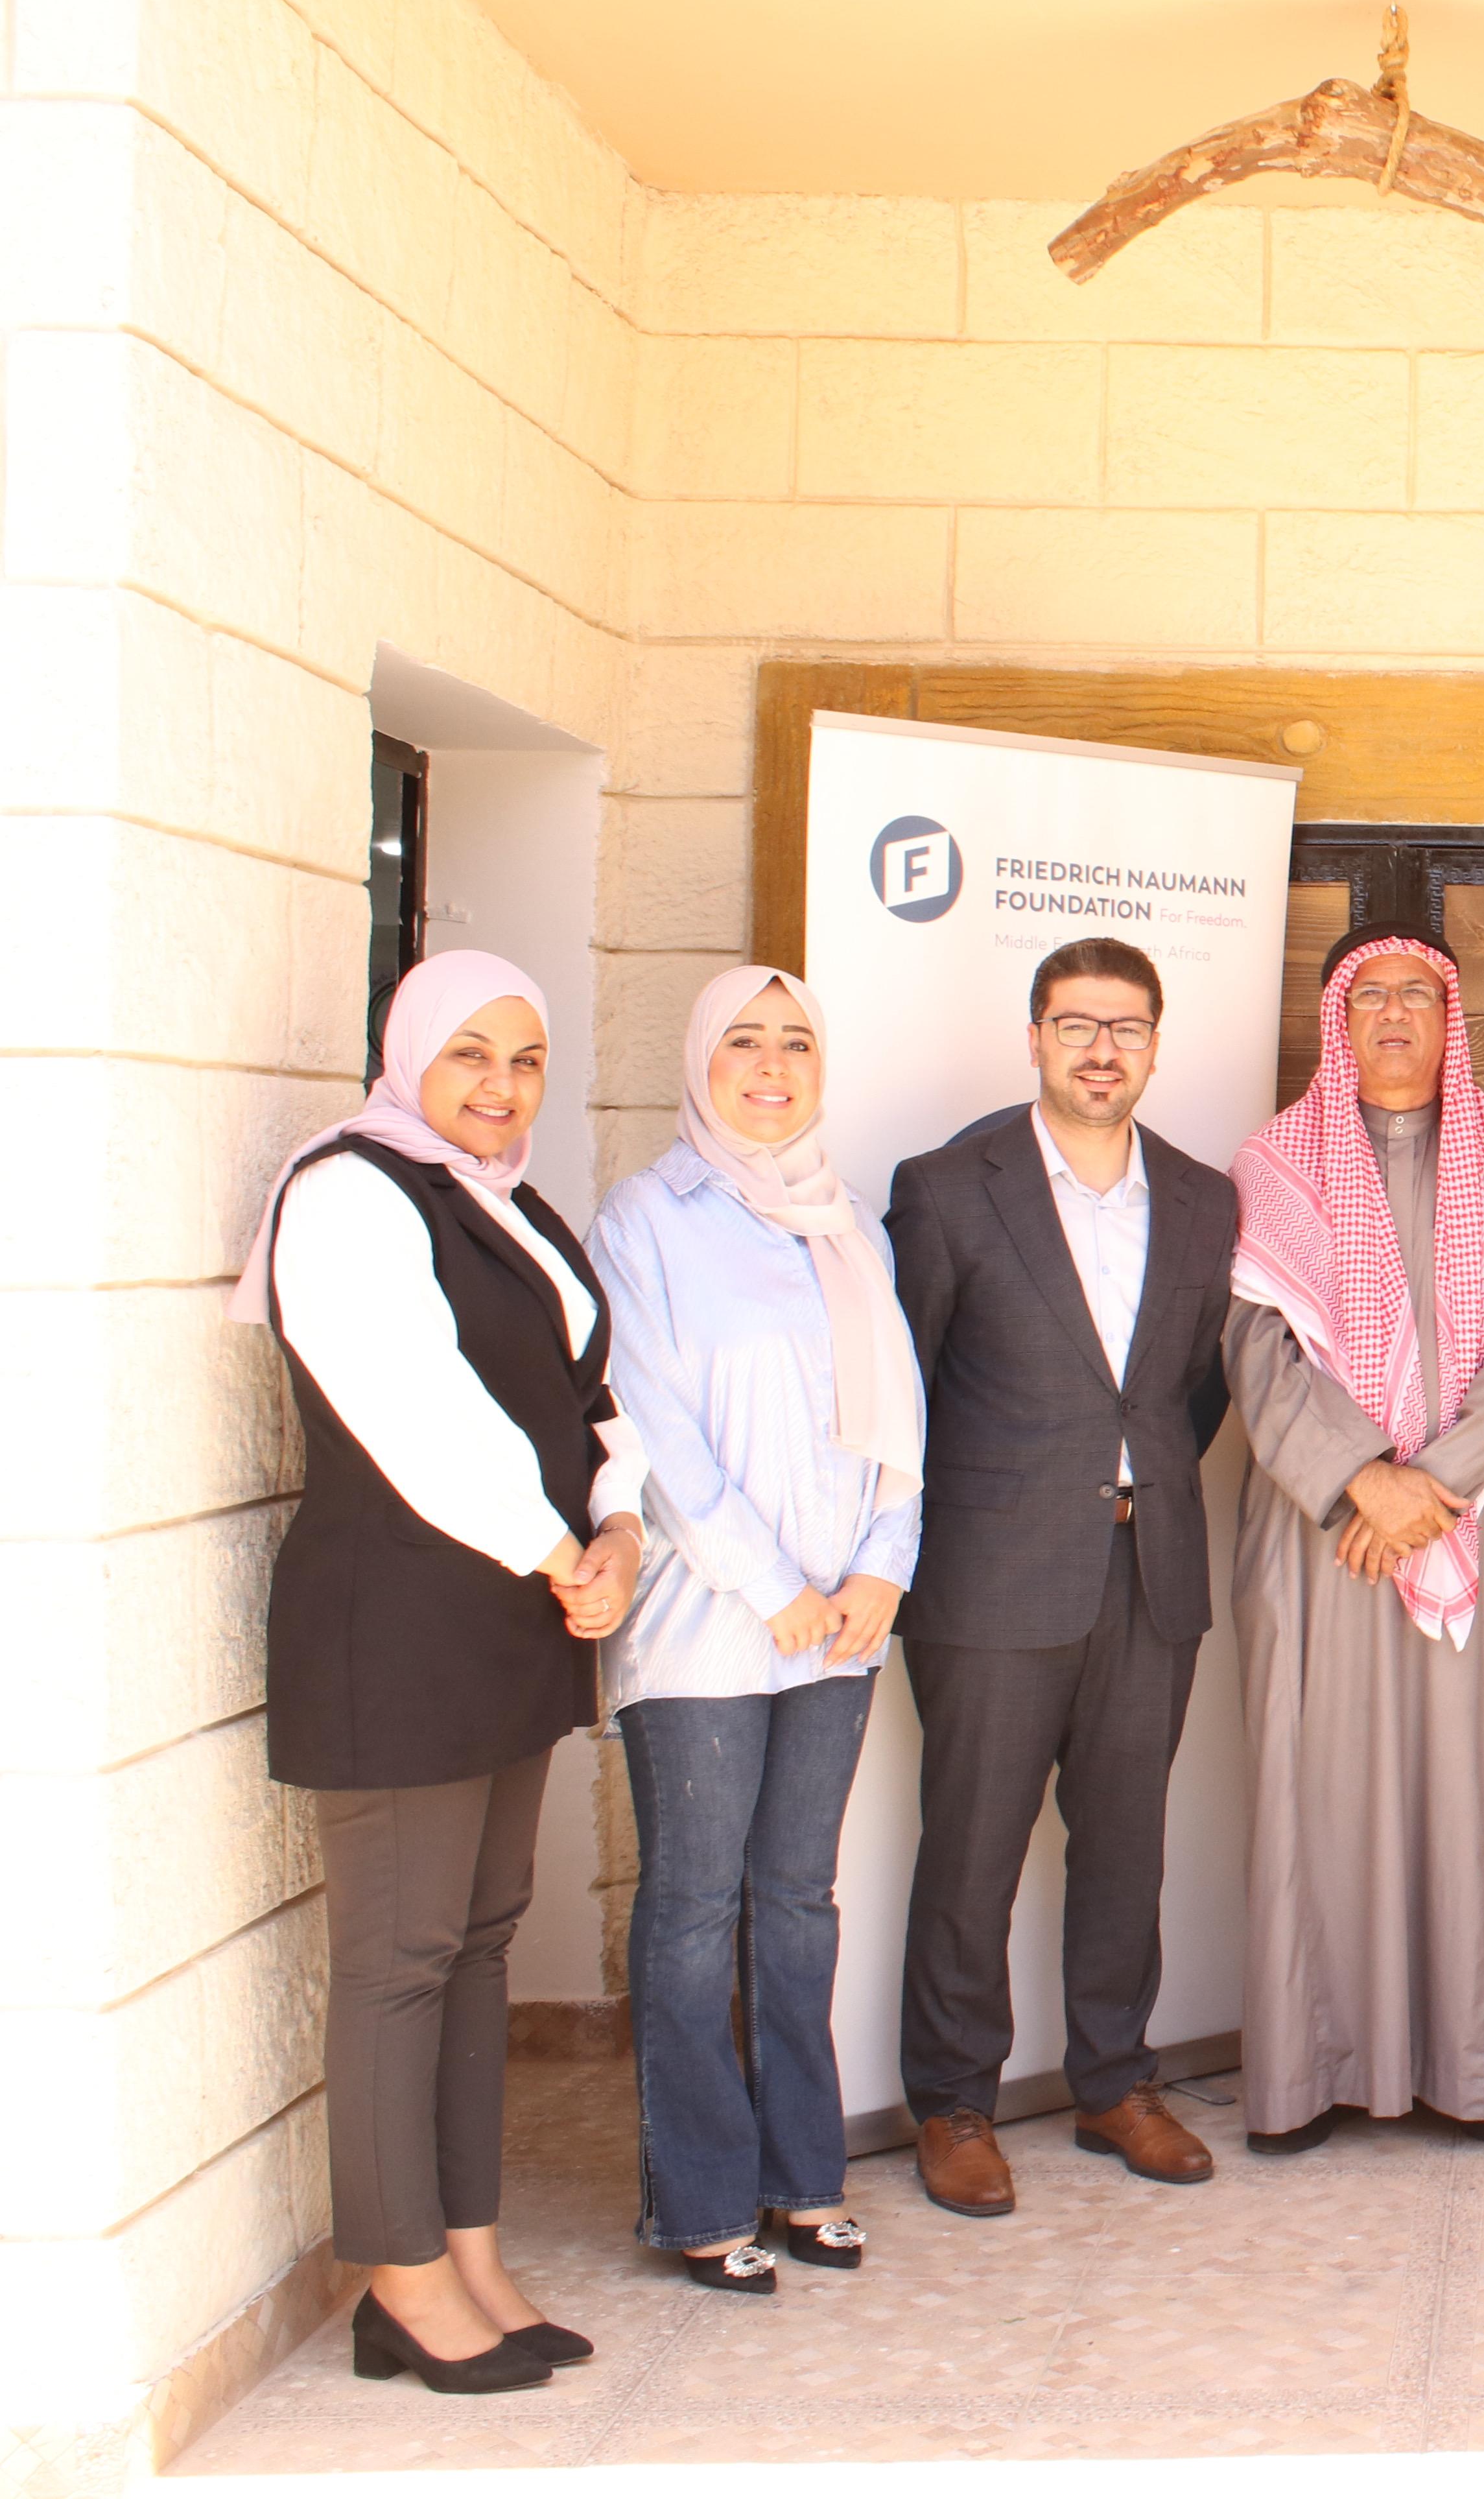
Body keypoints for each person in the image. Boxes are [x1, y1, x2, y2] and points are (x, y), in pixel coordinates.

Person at [234, 951, 644, 2394]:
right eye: (470, 1052)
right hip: (401, 1629)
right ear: (407, 1052)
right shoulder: (347, 1191)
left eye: (526, 1059)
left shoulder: (509, 1202)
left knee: (479, 1946)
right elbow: (416, 1411)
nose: (501, 1085)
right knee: (399, 1961)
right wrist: (565, 1551)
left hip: (518, 1620)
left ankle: (469, 2252)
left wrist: (622, 1525)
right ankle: (398, 2280)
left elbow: (595, 1400)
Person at [886, 938, 1237, 2215]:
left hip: (1151, 1568)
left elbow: (1194, 1389)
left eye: (1126, 1026)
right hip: (989, 1575)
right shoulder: (946, 1187)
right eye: (1077, 1023)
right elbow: (904, 1383)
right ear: (1034, 1036)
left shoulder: (1204, 1199)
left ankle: (1115, 2083)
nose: (1102, 1049)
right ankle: (954, 2102)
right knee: (971, 1851)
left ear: (1156, 1045)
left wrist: (1130, 1481)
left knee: (1126, 1848)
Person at [591, 967, 923, 2292]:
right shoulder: (645, 1217)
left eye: (796, 1042)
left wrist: (883, 1570)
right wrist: (771, 1582)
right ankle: (701, 2198)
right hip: (707, 1622)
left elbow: (900, 1417)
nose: (773, 1065)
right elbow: (650, 1426)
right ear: (701, 1060)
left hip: (841, 1621)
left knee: (798, 1903)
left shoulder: (850, 1223)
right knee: (692, 1908)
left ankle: (803, 2176)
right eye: (745, 1040)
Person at [1226, 929, 1484, 2149]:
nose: (1392, 1014)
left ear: (1449, 1019)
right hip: (1323, 1536)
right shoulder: (1277, 1164)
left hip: (1467, 1517)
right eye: (1368, 994)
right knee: (1316, 1786)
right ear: (1338, 1018)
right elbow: (1258, 1356)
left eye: (1416, 995)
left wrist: (1429, 1484)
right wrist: (1359, 1482)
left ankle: (1478, 2075)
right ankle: (1310, 2075)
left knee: (1473, 1785)